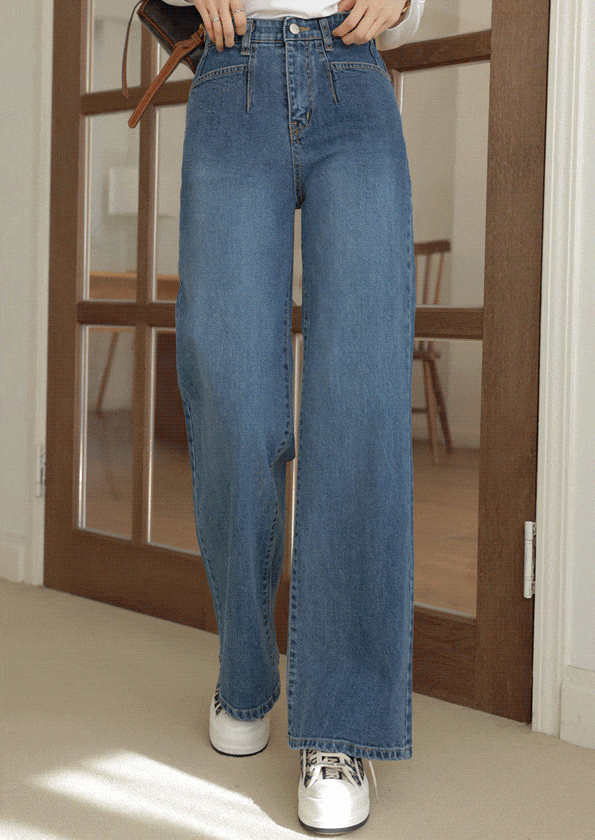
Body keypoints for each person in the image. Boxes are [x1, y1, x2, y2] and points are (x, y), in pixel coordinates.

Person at [166, 0, 425, 832]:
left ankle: (339, 730)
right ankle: (245, 670)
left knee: (360, 403)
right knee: (231, 397)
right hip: (230, 74)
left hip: (354, 77)